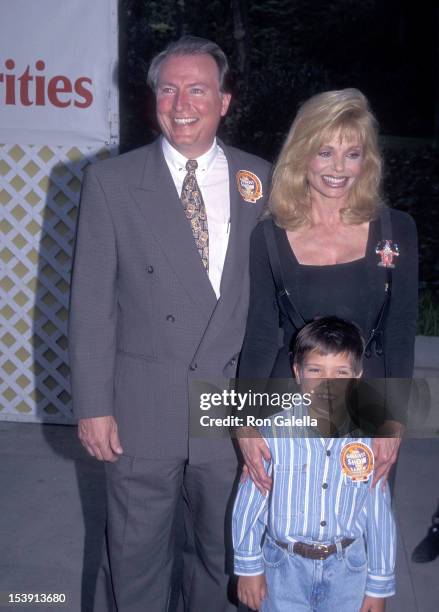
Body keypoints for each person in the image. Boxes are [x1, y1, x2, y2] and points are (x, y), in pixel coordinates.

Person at [68, 35, 271, 611]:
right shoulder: (110, 182)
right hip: (140, 404)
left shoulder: (259, 179)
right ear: (153, 97)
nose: (182, 102)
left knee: (225, 556)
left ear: (224, 101)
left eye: (198, 89)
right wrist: (92, 404)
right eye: (168, 88)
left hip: (232, 406)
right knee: (133, 559)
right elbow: (90, 304)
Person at [236, 88, 418, 495]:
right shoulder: (268, 237)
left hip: (371, 409)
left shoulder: (396, 230)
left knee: (362, 534)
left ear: (366, 161)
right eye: (324, 153)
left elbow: (401, 331)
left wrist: (395, 422)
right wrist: (246, 423)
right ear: (301, 155)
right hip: (289, 407)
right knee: (287, 528)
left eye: (352, 154)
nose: (339, 168)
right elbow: (262, 336)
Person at [233, 317, 396, 612]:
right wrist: (248, 566)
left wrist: (378, 585)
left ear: (357, 376)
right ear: (297, 372)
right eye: (316, 370)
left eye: (341, 372)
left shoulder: (369, 440)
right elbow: (250, 502)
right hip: (283, 571)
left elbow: (379, 516)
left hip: (348, 573)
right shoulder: (272, 433)